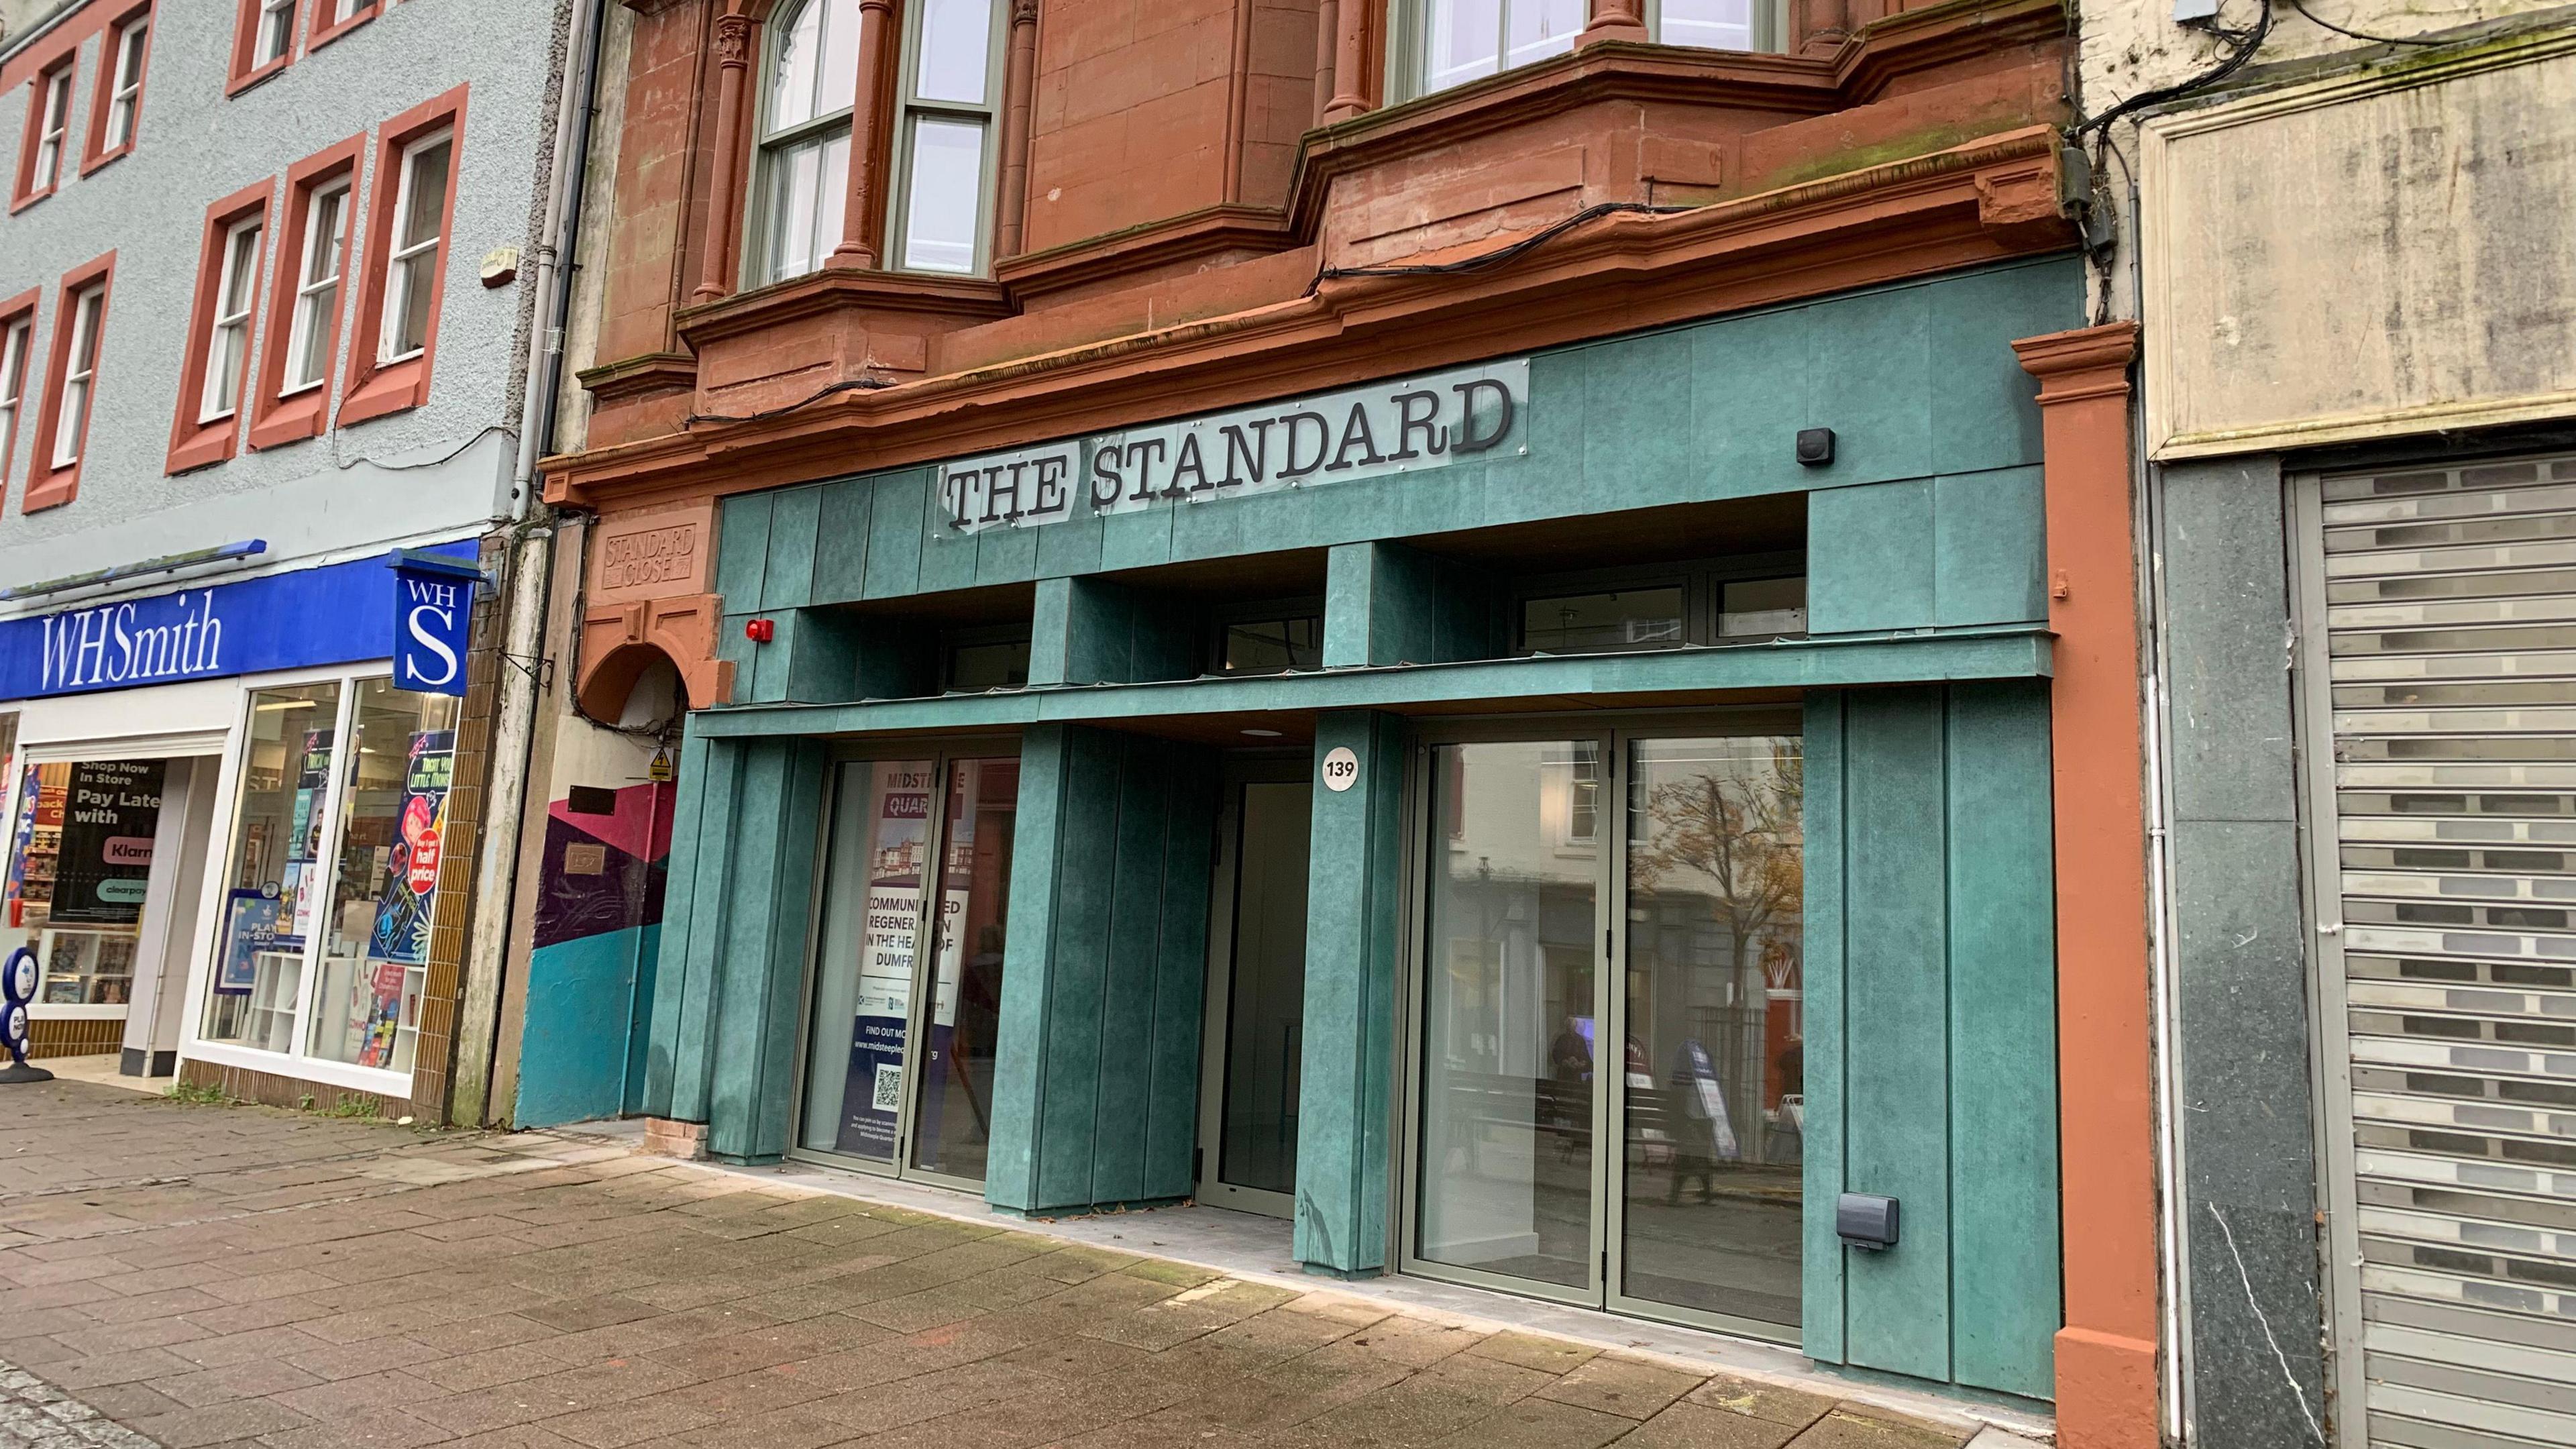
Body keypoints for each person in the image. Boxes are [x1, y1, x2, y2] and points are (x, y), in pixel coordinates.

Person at [1666, 1036, 1739, 1205]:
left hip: (1678, 1128)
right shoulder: (1685, 1095)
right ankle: (1703, 1186)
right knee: (1703, 1130)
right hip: (1686, 1133)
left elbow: (1676, 1115)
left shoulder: (1676, 1089)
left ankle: (1679, 1189)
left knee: (1698, 1131)